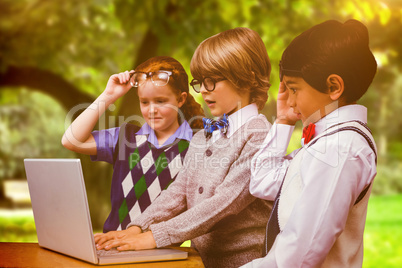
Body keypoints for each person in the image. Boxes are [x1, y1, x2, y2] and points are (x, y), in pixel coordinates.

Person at [94, 27, 273, 268]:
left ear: (247, 78)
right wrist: (138, 227)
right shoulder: (204, 136)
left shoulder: (259, 135)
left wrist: (155, 236)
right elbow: (177, 191)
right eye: (200, 82)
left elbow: (224, 204)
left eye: (212, 81)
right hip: (198, 261)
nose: (204, 91)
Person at [242, 19, 378, 267]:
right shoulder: (325, 142)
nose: (290, 101)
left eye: (294, 89)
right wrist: (283, 120)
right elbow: (262, 182)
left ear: (333, 86)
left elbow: (297, 255)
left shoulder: (339, 148)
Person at [62, 56, 204, 232]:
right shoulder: (124, 137)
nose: (152, 110)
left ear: (181, 100)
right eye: (144, 102)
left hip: (160, 252)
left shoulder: (198, 145)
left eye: (161, 101)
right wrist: (108, 96)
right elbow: (71, 140)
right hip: (113, 244)